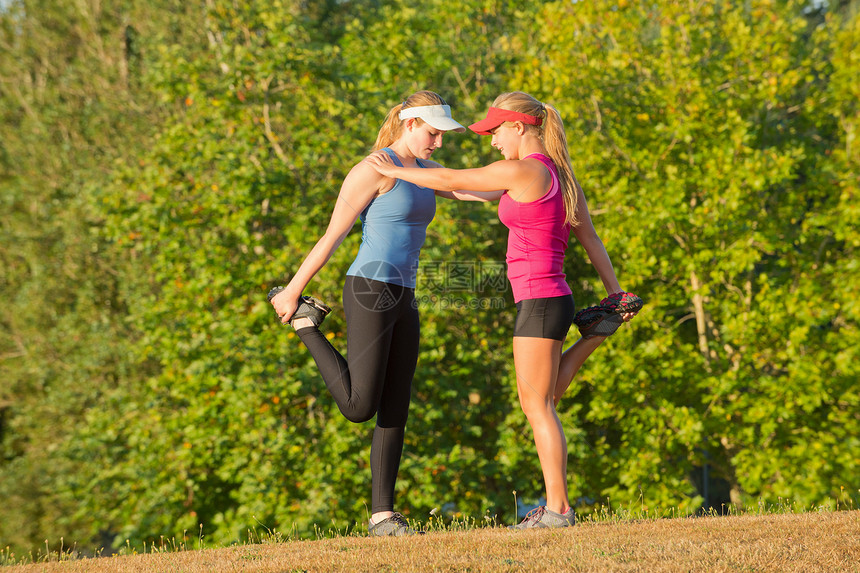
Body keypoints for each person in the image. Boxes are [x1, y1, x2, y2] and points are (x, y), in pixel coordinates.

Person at [365, 91, 642, 529]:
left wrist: (392, 168)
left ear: (518, 126)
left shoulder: (520, 169)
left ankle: (558, 510)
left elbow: (451, 177)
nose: (492, 140)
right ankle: (595, 333)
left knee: (538, 406)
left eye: (495, 131)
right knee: (546, 397)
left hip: (537, 299)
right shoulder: (561, 176)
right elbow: (590, 237)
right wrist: (616, 293)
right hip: (555, 297)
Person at [269, 90, 466, 536]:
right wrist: (293, 290)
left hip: (405, 294)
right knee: (360, 407)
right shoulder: (372, 169)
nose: (439, 143)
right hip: (368, 289)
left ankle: (383, 515)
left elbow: (479, 189)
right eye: (434, 134)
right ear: (410, 124)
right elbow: (332, 235)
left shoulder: (430, 172)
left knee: (397, 403)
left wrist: (534, 173)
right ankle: (305, 322)